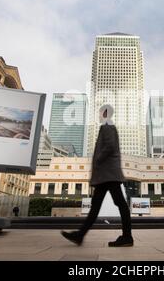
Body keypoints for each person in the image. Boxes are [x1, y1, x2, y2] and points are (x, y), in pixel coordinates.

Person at [61, 105, 133, 247]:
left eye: (100, 112)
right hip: (107, 174)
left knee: (119, 204)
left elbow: (110, 146)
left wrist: (98, 159)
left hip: (108, 173)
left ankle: (127, 237)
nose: (99, 114)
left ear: (105, 113)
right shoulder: (108, 126)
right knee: (101, 206)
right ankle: (80, 235)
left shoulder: (107, 125)